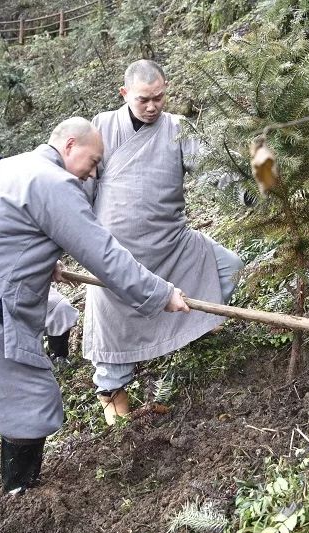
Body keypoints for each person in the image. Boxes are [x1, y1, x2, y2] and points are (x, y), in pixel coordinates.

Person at [0, 118, 190, 509]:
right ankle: (19, 503)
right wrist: (160, 293)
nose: (94, 170)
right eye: (93, 159)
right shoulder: (55, 182)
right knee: (33, 404)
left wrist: (40, 255)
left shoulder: (13, 168)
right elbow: (103, 254)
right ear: (69, 145)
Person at [83, 59, 244, 425]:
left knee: (228, 267)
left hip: (173, 243)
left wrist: (247, 187)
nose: (153, 106)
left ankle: (195, 330)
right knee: (112, 339)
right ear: (125, 95)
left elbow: (213, 169)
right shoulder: (103, 126)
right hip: (115, 258)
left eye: (159, 97)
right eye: (144, 100)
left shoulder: (177, 128)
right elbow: (81, 188)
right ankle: (118, 417)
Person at [0, 151, 79, 369]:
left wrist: (49, 264)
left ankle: (59, 356)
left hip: (27, 282)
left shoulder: (18, 196)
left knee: (60, 308)